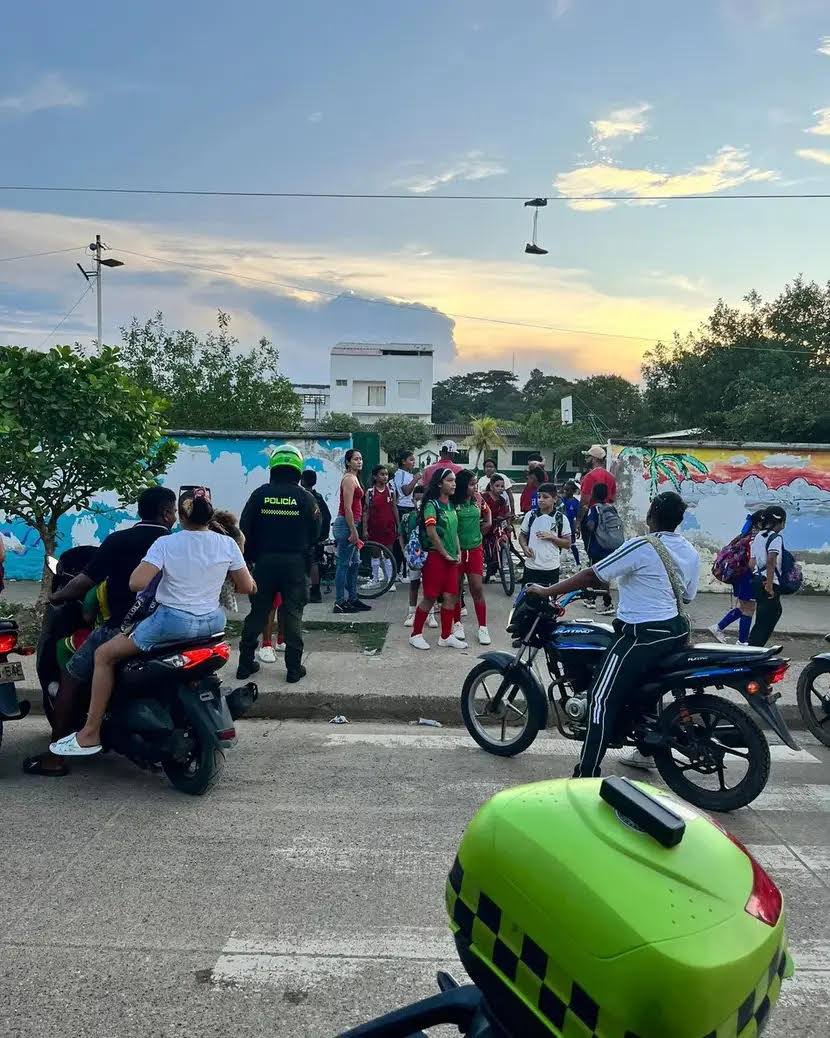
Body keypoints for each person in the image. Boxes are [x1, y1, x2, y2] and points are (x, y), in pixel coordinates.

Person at [51, 488, 254, 757]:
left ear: (180, 515)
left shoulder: (167, 544)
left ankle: (89, 733)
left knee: (103, 655)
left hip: (171, 623)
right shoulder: (227, 544)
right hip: (212, 625)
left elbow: (137, 582)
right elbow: (246, 586)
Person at [530, 491, 700, 777]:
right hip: (675, 632)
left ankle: (586, 772)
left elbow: (592, 574)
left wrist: (546, 591)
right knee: (647, 687)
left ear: (650, 516)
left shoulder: (641, 546)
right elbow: (687, 595)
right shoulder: (689, 551)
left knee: (599, 697)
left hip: (642, 634)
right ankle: (645, 750)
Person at [23, 486, 178, 776]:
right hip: (174, 627)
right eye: (173, 512)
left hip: (124, 628)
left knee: (71, 673)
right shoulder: (178, 543)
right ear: (167, 514)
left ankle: (56, 754)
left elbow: (83, 582)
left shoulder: (119, 540)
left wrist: (57, 597)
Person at [237, 443, 321, 681]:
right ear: (298, 468)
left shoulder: (259, 495)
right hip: (295, 564)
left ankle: (245, 665)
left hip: (263, 563)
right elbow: (317, 530)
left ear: (273, 467)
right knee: (293, 613)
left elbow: (244, 530)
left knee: (258, 612)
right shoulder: (306, 498)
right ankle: (293, 669)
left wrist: (251, 557)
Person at [409, 468, 464, 650]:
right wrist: (445, 554)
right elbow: (432, 534)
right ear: (440, 483)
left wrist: (458, 552)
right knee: (430, 597)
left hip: (451, 559)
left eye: (454, 480)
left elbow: (454, 532)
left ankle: (446, 636)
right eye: (449, 480)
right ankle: (415, 634)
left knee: (450, 597)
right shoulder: (432, 505)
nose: (453, 484)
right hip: (435, 558)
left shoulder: (450, 504)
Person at [708, 509, 766, 646]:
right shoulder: (755, 539)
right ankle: (742, 642)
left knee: (743, 607)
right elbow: (752, 563)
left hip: (740, 576)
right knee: (749, 609)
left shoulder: (744, 535)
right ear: (758, 524)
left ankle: (718, 627)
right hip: (747, 576)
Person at [452, 470, 492, 645]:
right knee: (456, 589)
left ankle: (483, 627)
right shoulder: (453, 502)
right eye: (471, 484)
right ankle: (457, 623)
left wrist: (488, 523)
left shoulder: (478, 499)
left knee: (477, 588)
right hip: (457, 551)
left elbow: (487, 512)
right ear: (462, 485)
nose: (475, 487)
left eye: (476, 483)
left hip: (475, 550)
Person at [331, 448, 371, 615]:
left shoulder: (355, 478)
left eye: (361, 459)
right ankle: (339, 602)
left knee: (355, 563)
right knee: (344, 564)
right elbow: (347, 508)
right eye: (355, 459)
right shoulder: (348, 479)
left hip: (351, 524)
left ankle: (352, 598)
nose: (359, 461)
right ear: (348, 462)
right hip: (346, 525)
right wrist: (353, 531)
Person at [748, 505, 788, 647]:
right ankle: (754, 650)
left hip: (757, 580)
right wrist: (769, 585)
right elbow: (771, 561)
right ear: (780, 521)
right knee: (768, 618)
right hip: (768, 582)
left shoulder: (758, 536)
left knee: (762, 618)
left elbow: (751, 563)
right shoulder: (775, 538)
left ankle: (753, 647)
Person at [519, 482, 572, 587]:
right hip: (531, 567)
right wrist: (524, 547)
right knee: (528, 599)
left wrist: (552, 537)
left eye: (545, 497)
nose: (541, 499)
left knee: (549, 600)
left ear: (555, 499)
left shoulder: (561, 518)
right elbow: (522, 535)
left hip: (550, 568)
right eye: (539, 497)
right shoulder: (530, 515)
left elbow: (568, 543)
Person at [400, 484, 437, 629]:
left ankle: (431, 614)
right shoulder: (407, 517)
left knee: (429, 584)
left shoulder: (431, 515)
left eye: (422, 499)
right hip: (414, 555)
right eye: (416, 499)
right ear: (412, 500)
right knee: (414, 583)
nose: (419, 502)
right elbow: (401, 535)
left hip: (429, 553)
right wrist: (404, 551)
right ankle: (411, 612)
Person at [580, 483, 615, 615]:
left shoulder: (594, 509)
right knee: (604, 574)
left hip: (597, 546)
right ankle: (596, 599)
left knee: (596, 574)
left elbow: (590, 526)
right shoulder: (611, 508)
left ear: (594, 494)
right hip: (610, 547)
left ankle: (605, 602)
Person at [364, 464, 399, 590]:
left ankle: (390, 580)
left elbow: (394, 508)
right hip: (374, 527)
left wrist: (398, 525)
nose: (385, 477)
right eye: (382, 474)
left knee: (389, 553)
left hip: (388, 527)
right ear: (375, 476)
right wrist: (365, 529)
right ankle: (375, 579)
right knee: (375, 553)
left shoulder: (391, 491)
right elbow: (366, 511)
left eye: (386, 474)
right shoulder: (370, 493)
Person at [300, 468, 331, 603]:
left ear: (302, 481)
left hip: (306, 537)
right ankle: (315, 590)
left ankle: (311, 591)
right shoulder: (318, 496)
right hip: (317, 536)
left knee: (309, 563)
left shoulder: (302, 496)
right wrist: (322, 535)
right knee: (314, 563)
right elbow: (327, 516)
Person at [579, 444, 616, 515]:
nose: (586, 459)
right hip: (606, 516)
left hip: (593, 516)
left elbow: (584, 501)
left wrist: (578, 521)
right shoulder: (611, 477)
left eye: (588, 457)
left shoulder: (589, 476)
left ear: (594, 459)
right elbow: (612, 499)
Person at [392, 451, 421, 517]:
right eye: (411, 460)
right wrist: (415, 479)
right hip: (404, 508)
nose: (414, 462)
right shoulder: (401, 474)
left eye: (414, 460)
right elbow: (406, 491)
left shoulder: (408, 474)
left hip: (411, 506)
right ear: (403, 462)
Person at [561, 480, 581, 567]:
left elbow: (578, 517)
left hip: (570, 527)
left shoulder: (576, 503)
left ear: (573, 491)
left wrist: (577, 528)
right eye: (565, 489)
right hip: (560, 525)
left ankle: (578, 563)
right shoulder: (561, 501)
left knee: (572, 544)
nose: (565, 491)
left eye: (568, 490)